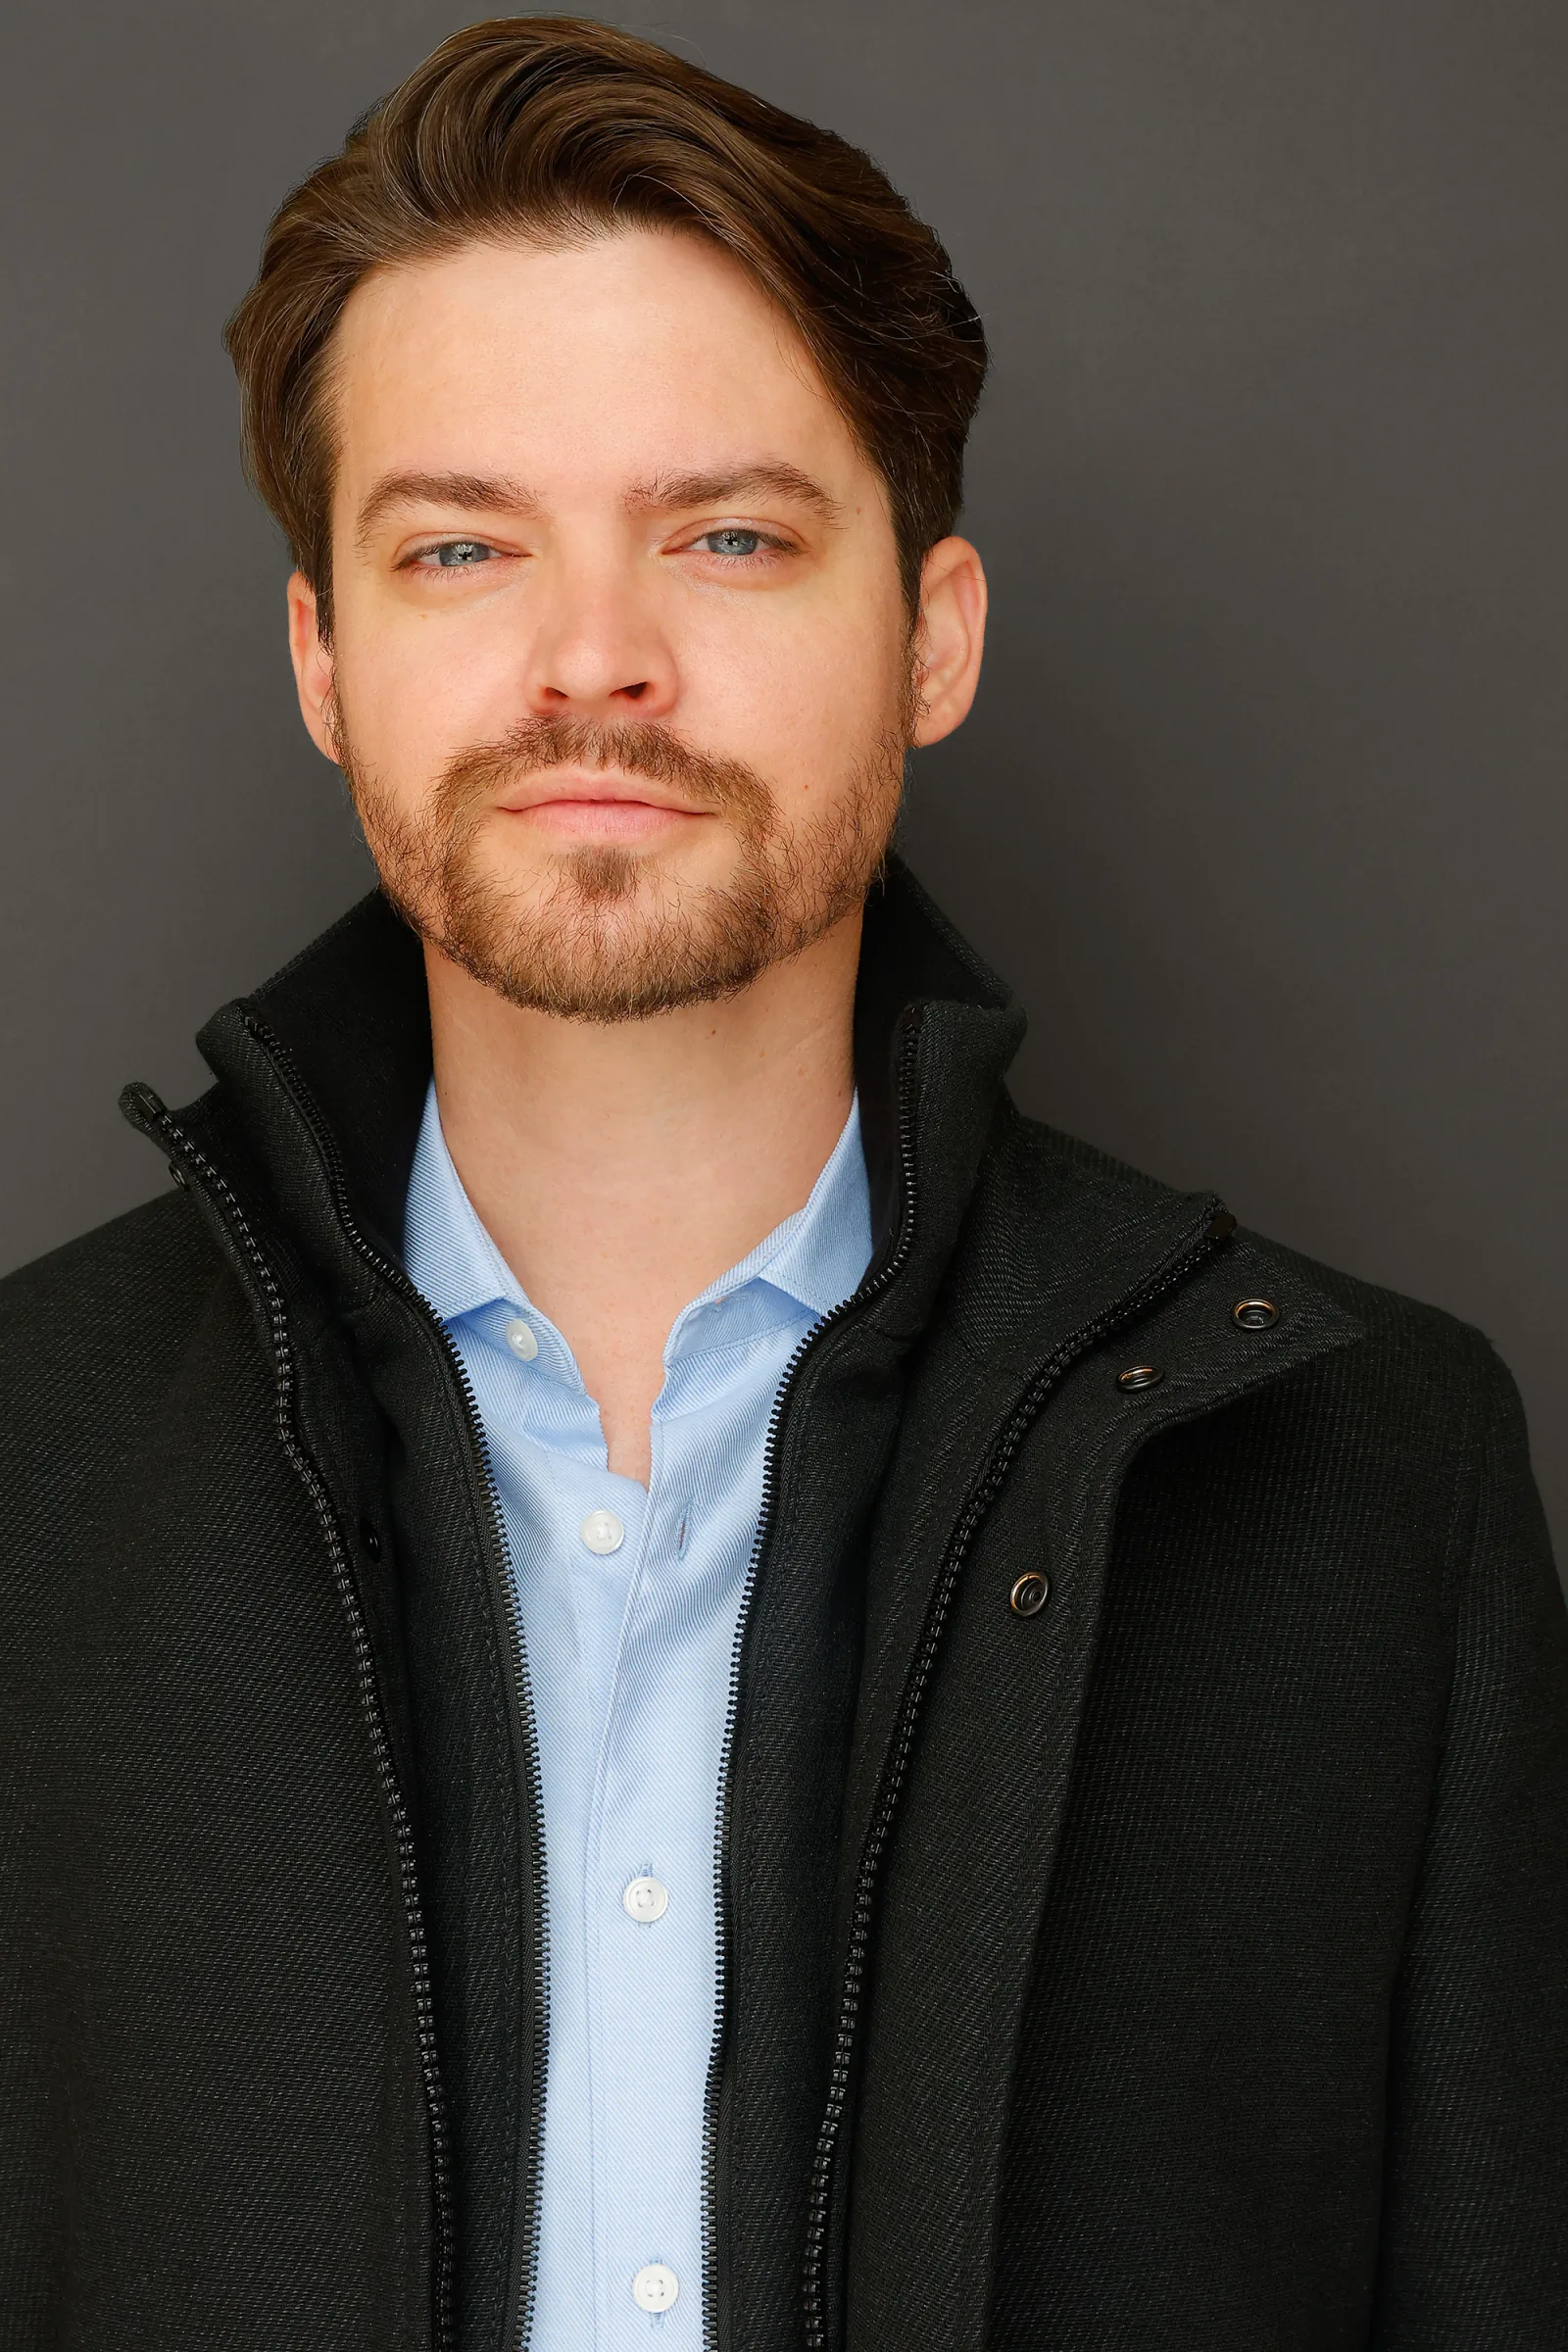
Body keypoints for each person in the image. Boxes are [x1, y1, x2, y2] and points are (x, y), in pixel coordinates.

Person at [2, 16, 1563, 2349]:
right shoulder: (20, 1473)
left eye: (726, 536)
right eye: (460, 547)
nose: (595, 664)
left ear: (927, 635)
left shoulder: (1372, 1487)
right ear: (326, 657)